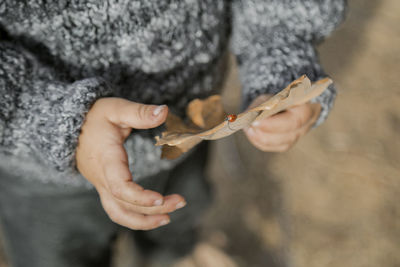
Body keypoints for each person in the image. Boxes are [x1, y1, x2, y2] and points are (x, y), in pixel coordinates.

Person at [0, 0, 347, 266]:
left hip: (190, 126)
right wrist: (50, 119)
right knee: (60, 252)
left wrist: (279, 49)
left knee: (182, 207)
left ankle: (177, 252)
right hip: (44, 173)